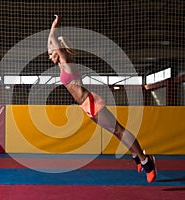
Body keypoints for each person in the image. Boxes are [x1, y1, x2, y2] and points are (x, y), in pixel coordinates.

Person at [47, 15, 156, 183]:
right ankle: (136, 155)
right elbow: (52, 41)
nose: (49, 55)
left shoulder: (66, 60)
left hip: (91, 102)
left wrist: (55, 24)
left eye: (50, 52)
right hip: (86, 105)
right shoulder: (63, 64)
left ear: (58, 50)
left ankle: (146, 161)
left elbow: (53, 38)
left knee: (119, 130)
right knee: (115, 131)